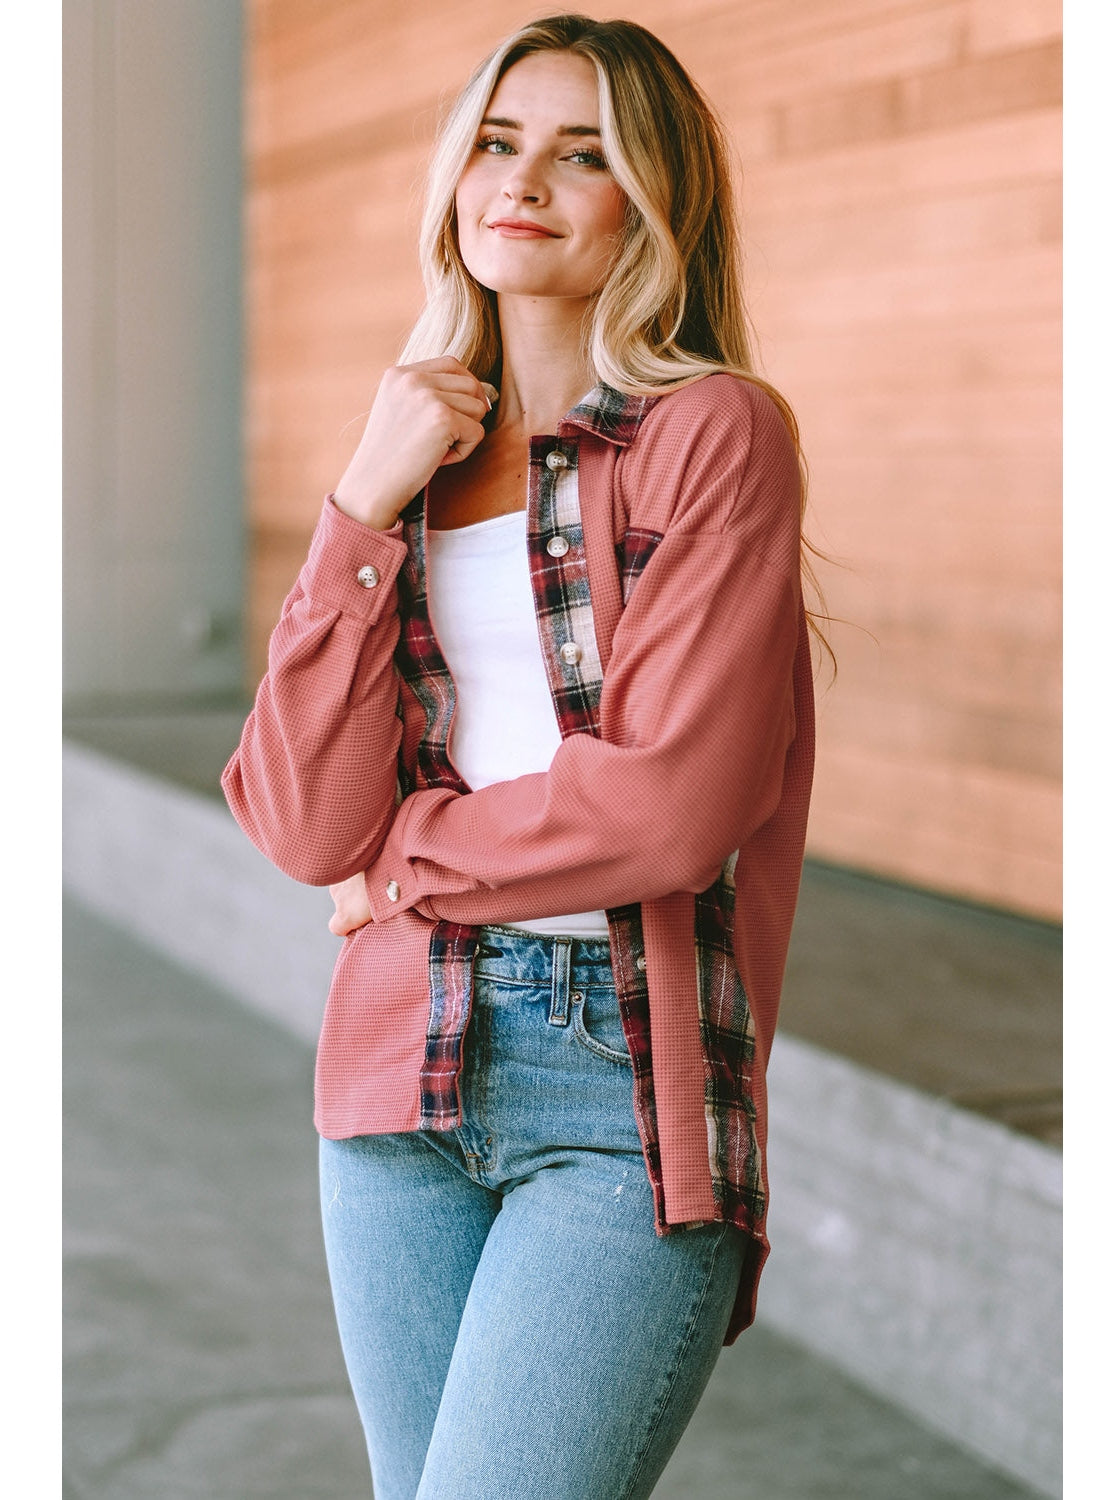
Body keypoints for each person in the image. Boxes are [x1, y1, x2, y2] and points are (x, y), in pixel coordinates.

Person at [223, 13, 820, 1499]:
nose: (526, 182)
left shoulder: (709, 437)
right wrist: (360, 504)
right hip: (389, 1075)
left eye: (584, 154)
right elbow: (301, 824)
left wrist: (404, 863)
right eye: (500, 141)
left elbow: (668, 810)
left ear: (653, 201)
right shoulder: (411, 465)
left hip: (614, 1077)